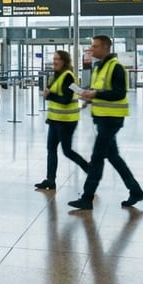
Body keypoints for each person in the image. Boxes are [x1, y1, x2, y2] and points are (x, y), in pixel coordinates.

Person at [68, 35, 143, 211]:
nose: (92, 49)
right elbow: (101, 91)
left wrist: (95, 95)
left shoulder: (116, 67)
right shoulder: (99, 67)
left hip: (112, 119)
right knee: (113, 157)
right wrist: (89, 97)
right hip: (102, 117)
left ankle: (87, 198)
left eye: (95, 46)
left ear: (106, 48)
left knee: (96, 158)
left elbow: (119, 93)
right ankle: (136, 191)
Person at [37, 49, 89, 190]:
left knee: (67, 151)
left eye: (57, 59)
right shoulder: (56, 75)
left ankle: (89, 170)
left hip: (66, 120)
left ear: (64, 61)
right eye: (54, 58)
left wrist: (49, 96)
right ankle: (50, 180)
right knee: (51, 149)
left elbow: (65, 99)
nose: (54, 61)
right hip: (55, 119)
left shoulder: (68, 76)